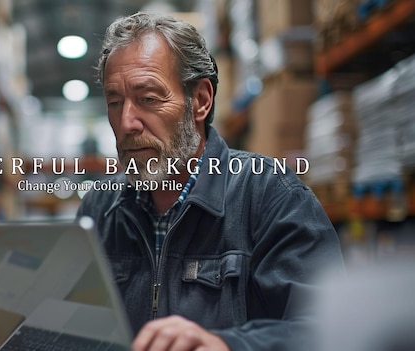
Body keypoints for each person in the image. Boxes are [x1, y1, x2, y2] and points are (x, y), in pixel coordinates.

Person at [76, 12, 346, 351]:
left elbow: (330, 331)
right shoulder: (99, 211)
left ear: (200, 101)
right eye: (115, 102)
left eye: (148, 99)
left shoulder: (270, 196)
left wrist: (225, 344)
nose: (127, 121)